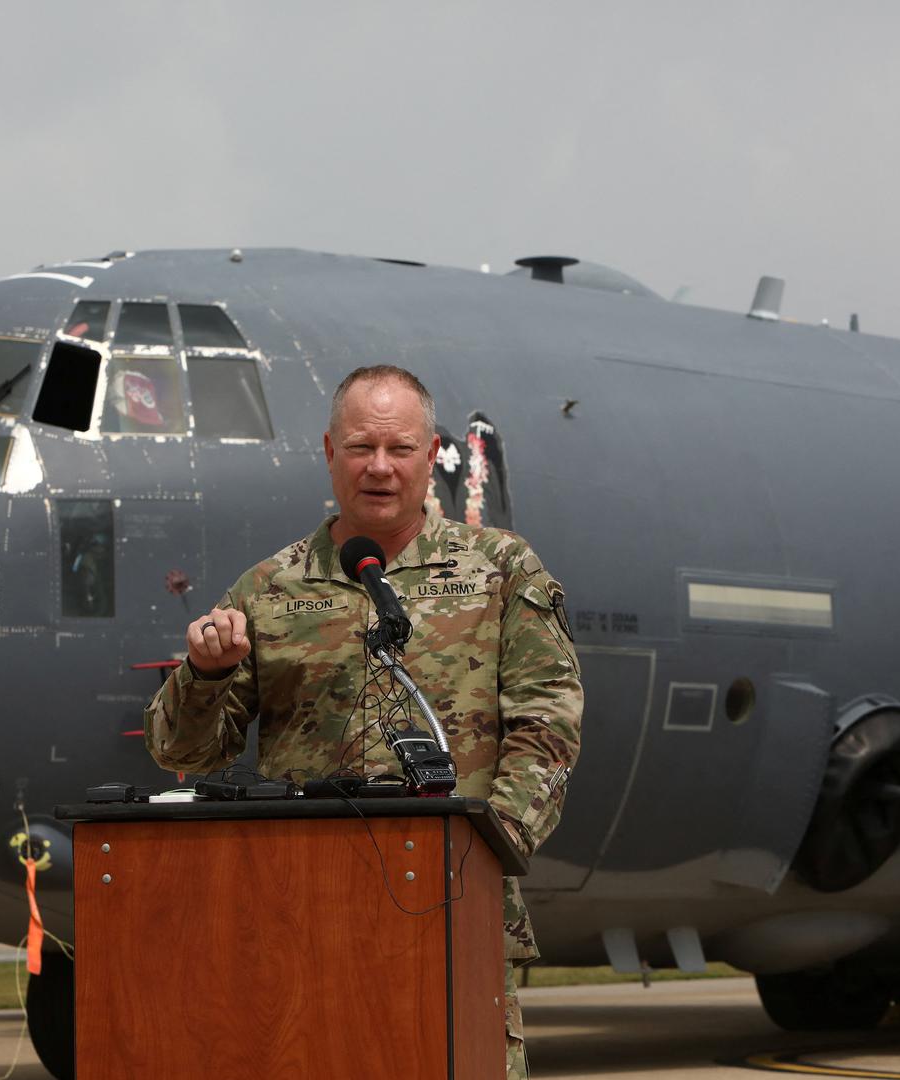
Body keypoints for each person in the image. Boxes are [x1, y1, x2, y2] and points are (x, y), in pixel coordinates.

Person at [144, 364, 583, 1078]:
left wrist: (490, 844)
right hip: (298, 916)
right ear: (329, 451)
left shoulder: (500, 570)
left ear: (431, 454)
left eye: (400, 448)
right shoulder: (269, 589)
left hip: (451, 903)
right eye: (360, 447)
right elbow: (182, 754)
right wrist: (205, 675)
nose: (380, 467)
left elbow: (549, 725)